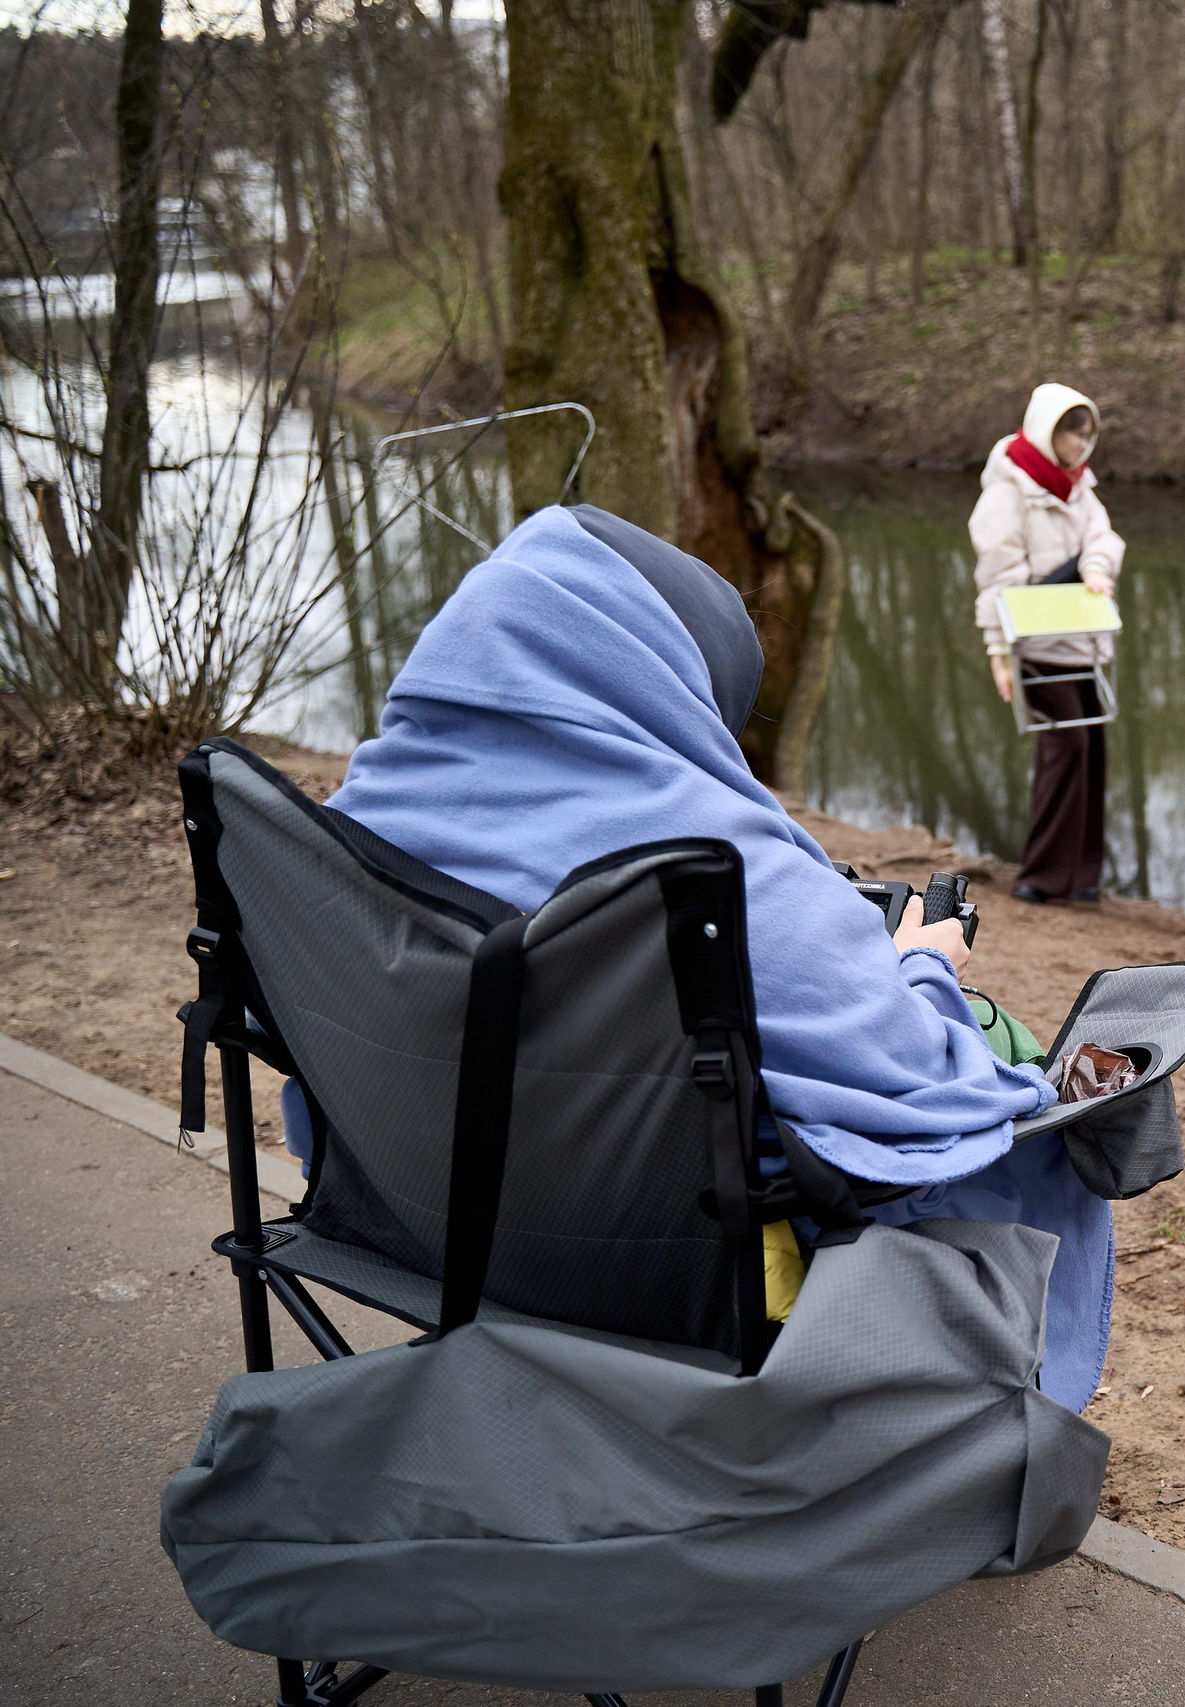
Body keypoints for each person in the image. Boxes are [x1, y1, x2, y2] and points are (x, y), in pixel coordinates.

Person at [308, 504, 1120, 1412]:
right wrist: (924, 967)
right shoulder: (715, 872)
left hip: (420, 1217)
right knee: (1029, 1105)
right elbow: (919, 1082)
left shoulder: (346, 829)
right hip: (655, 1279)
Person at [971, 383, 1126, 904]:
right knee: (1067, 745)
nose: (1082, 446)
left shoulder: (1079, 488)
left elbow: (1103, 538)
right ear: (1046, 430)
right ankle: (1040, 875)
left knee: (1093, 747)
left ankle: (1083, 876)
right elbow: (995, 578)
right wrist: (998, 654)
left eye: (1088, 434)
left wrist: (1096, 566)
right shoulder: (1008, 492)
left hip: (1081, 641)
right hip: (1034, 645)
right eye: (1072, 434)